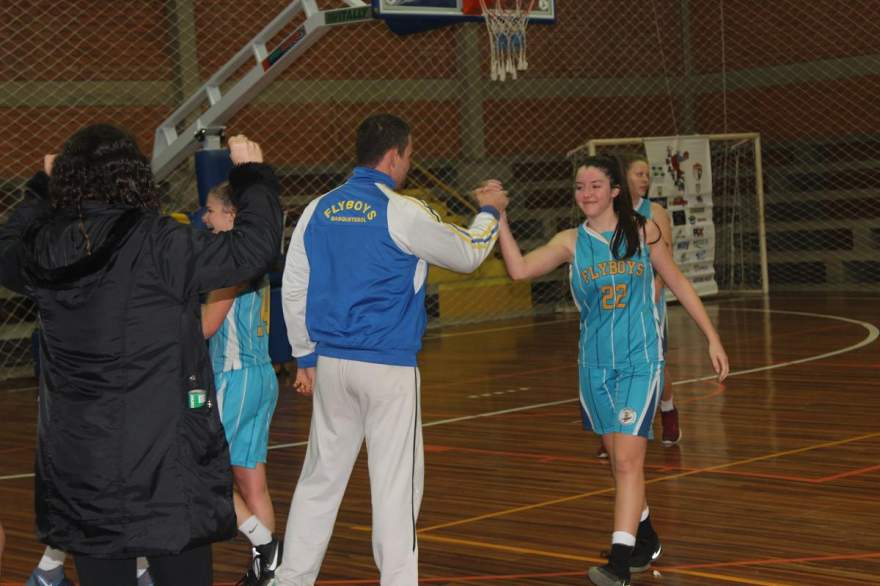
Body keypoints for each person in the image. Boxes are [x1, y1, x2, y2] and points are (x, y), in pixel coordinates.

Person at [0, 124, 282, 586]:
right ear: (133, 176)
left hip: (82, 463)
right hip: (164, 462)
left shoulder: (47, 244)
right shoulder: (159, 242)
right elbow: (252, 250)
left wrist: (38, 192)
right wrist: (253, 176)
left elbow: (6, 248)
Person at [277, 113, 508, 586]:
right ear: (394, 155)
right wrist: (491, 212)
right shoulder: (402, 210)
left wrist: (305, 355)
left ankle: (290, 580)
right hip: (387, 367)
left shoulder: (317, 208)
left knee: (319, 480)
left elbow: (293, 285)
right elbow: (467, 254)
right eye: (409, 155)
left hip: (333, 364)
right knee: (395, 486)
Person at [496, 155, 728, 586]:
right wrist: (501, 218)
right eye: (580, 186)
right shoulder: (570, 241)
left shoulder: (643, 232)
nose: (586, 193)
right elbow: (518, 269)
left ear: (615, 191)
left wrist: (712, 337)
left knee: (625, 461)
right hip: (594, 366)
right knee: (620, 464)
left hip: (641, 360)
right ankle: (647, 539)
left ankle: (619, 565)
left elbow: (677, 282)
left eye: (596, 185)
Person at [201, 182, 281, 586]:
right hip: (261, 375)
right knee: (253, 484)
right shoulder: (257, 258)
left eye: (211, 211)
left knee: (202, 474)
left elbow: (206, 326)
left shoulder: (229, 263)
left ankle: (266, 545)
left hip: (233, 377)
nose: (205, 218)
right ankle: (269, 573)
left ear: (231, 216)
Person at [594, 153, 679, 460]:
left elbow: (665, 259)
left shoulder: (655, 212)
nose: (645, 179)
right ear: (623, 177)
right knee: (614, 365)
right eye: (639, 174)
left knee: (655, 363)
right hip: (615, 305)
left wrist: (652, 295)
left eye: (647, 174)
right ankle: (621, 430)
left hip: (647, 300)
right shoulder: (609, 213)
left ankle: (668, 411)